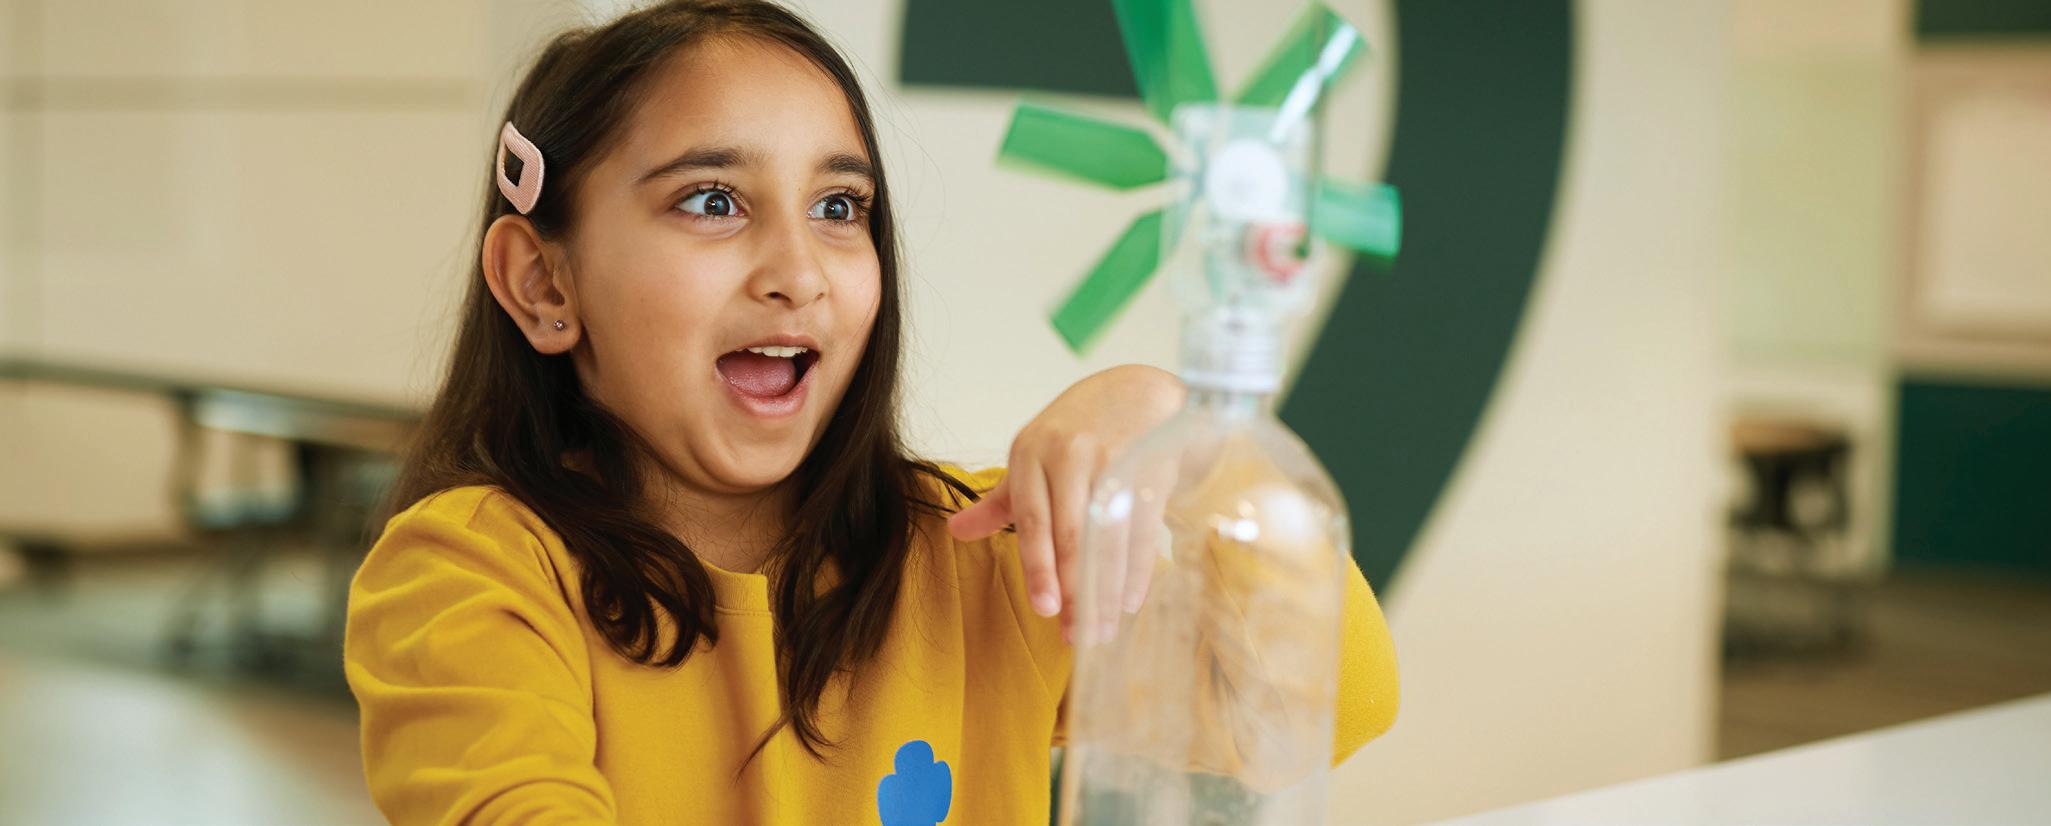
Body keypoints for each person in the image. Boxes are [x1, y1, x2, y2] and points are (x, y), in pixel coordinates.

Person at [342, 1, 1397, 822]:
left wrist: (1195, 439)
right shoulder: (466, 574)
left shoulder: (983, 558)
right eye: (712, 201)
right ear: (543, 283)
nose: (798, 271)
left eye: (839, 208)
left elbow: (1328, 706)